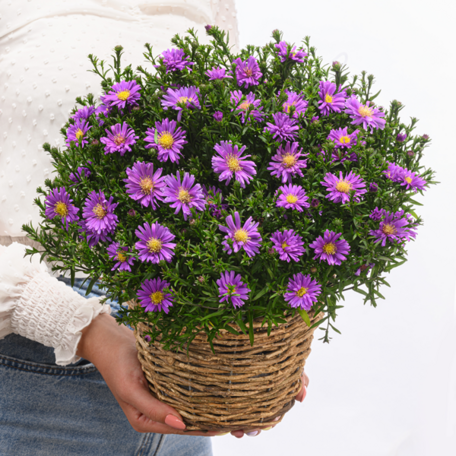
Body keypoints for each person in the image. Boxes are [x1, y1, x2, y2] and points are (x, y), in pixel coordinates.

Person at [0, 1, 309, 454]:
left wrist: (257, 345)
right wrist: (88, 331)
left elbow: (222, 184)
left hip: (179, 376)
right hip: (35, 384)